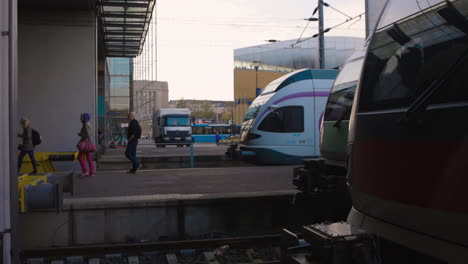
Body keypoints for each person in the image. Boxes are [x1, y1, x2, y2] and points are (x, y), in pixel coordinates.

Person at [77, 113, 95, 177]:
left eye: (81, 117)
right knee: (89, 158)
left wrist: (81, 134)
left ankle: (85, 171)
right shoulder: (87, 123)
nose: (80, 118)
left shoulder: (85, 124)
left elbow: (88, 134)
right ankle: (92, 172)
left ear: (84, 118)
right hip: (87, 143)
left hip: (85, 143)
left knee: (79, 157)